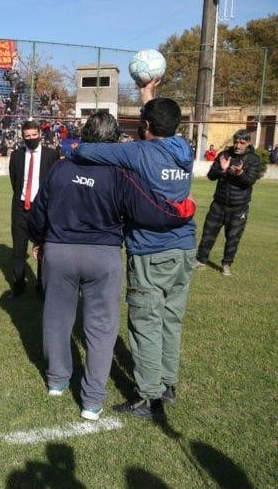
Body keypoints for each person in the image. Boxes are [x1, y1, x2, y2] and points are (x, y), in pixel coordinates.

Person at [28, 112, 195, 421]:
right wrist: (182, 211)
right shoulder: (121, 173)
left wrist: (38, 239)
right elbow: (148, 210)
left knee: (57, 318)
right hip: (102, 257)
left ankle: (57, 380)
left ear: (86, 135)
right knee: (101, 328)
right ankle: (91, 401)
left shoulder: (60, 168)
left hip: (59, 252)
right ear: (115, 138)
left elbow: (38, 211)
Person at [70, 80, 195, 419]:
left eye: (143, 120)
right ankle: (168, 384)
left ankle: (148, 396)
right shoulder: (185, 149)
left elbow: (85, 150)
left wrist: (74, 148)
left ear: (146, 126)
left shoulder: (138, 152)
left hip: (150, 252)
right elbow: (160, 123)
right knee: (171, 319)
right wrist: (148, 95)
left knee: (145, 324)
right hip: (184, 248)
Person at [194, 130, 261, 275]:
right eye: (236, 142)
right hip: (218, 204)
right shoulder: (224, 155)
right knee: (208, 234)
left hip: (239, 207)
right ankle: (201, 260)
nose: (237, 145)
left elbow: (249, 181)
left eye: (241, 143)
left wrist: (240, 173)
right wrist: (222, 170)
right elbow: (211, 175)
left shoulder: (253, 159)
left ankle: (226, 264)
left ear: (248, 143)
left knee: (233, 237)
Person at [8, 120, 60, 298]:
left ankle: (42, 287)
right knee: (18, 250)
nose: (30, 139)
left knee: (43, 248)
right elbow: (15, 182)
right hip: (21, 208)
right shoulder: (16, 155)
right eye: (27, 136)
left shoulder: (51, 155)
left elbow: (54, 182)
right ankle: (18, 286)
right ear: (22, 136)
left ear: (40, 134)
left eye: (33, 135)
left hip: (43, 209)